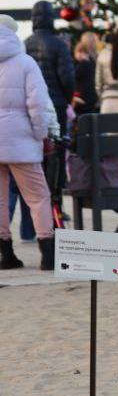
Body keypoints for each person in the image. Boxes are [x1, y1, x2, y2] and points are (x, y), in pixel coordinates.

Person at [1, 20, 58, 270]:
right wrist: (40, 134)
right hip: (22, 140)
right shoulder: (26, 63)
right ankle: (48, 254)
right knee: (38, 197)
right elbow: (38, 104)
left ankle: (6, 254)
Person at [24, 0, 75, 132]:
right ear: (51, 18)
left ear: (33, 19)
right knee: (58, 145)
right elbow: (68, 79)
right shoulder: (60, 45)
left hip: (30, 106)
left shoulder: (24, 45)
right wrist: (66, 100)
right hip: (56, 104)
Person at [72, 31, 100, 115]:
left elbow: (73, 76)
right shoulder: (96, 59)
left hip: (81, 97)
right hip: (94, 96)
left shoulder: (83, 63)